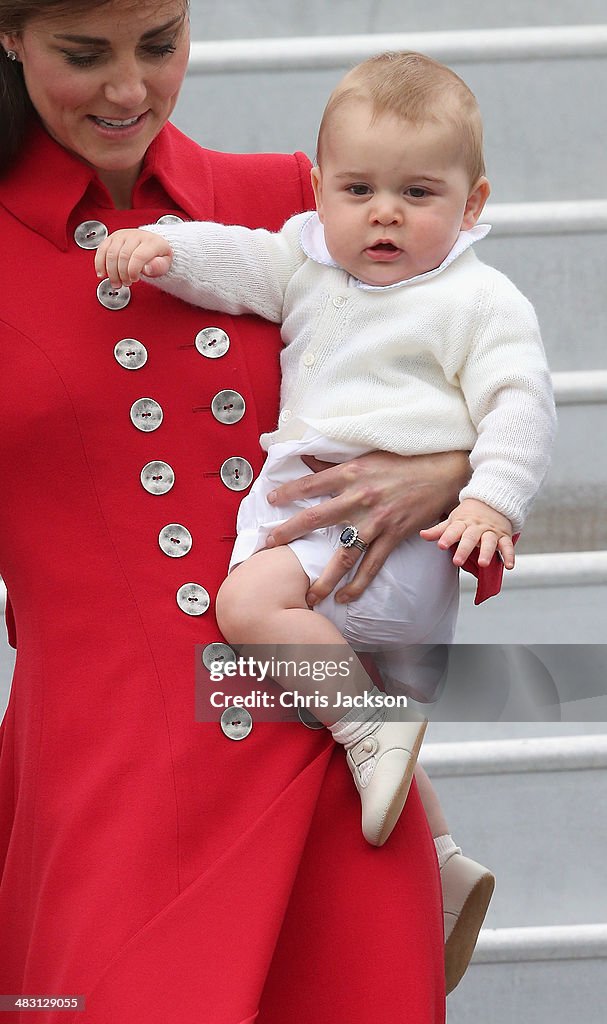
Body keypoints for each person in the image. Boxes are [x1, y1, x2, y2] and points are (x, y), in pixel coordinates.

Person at [0, 4, 491, 1020]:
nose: (130, 89)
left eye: (161, 43)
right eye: (83, 55)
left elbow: (468, 371)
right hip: (104, 785)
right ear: (9, 38)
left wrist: (445, 469)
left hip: (320, 750)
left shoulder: (301, 202)